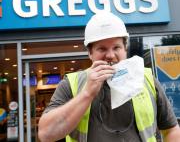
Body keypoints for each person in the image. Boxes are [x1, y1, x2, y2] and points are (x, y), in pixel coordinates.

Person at [38, 11, 180, 142]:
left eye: (116, 47)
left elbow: (172, 130)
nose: (110, 55)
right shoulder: (71, 84)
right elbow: (46, 134)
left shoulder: (146, 79)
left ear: (125, 49)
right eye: (102, 49)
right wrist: (87, 94)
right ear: (90, 53)